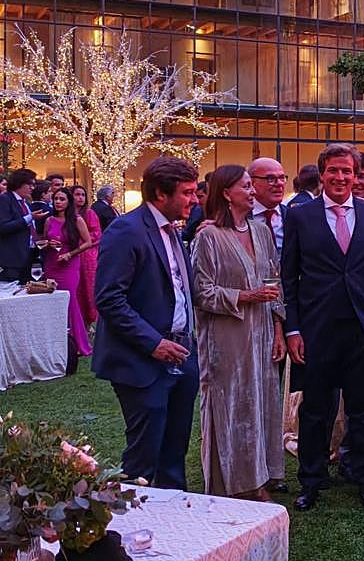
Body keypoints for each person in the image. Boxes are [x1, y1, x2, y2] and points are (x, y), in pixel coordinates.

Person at [282, 143, 364, 512]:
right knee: (315, 410)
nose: (340, 178)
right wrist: (293, 329)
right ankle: (312, 480)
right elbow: (290, 279)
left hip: (362, 329)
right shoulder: (300, 216)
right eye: (333, 171)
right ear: (322, 174)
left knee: (362, 410)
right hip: (317, 330)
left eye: (347, 172)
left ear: (356, 175)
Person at [93, 157, 200, 489]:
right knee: (144, 455)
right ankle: (131, 528)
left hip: (182, 354)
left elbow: (180, 289)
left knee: (174, 450)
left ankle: (175, 524)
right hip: (141, 361)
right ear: (159, 194)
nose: (195, 200)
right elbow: (110, 298)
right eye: (187, 193)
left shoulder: (172, 230)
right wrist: (153, 343)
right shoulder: (126, 230)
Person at [190, 165, 285, 500]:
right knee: (233, 405)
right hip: (226, 337)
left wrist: (278, 328)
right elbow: (201, 293)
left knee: (261, 402)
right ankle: (234, 481)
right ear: (226, 192)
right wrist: (246, 297)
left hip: (262, 333)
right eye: (245, 186)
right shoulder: (208, 236)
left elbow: (275, 280)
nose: (252, 191)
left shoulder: (261, 231)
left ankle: (261, 474)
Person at [42, 186, 95, 364]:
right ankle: (54, 342)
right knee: (52, 301)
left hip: (69, 265)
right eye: (56, 199)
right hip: (52, 264)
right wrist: (48, 244)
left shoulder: (77, 220)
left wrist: (70, 254)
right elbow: (44, 240)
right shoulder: (49, 220)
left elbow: (88, 242)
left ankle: (79, 344)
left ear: (68, 202)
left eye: (62, 199)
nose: (58, 202)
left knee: (70, 301)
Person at [70, 185, 102, 328]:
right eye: (77, 194)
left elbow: (96, 235)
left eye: (83, 195)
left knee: (87, 288)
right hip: (70, 255)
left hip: (87, 256)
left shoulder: (89, 214)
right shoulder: (65, 214)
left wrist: (78, 240)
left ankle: (88, 323)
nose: (80, 198)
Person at [0, 168, 38, 283]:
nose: (32, 188)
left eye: (34, 185)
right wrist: (29, 217)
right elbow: (3, 227)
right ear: (19, 183)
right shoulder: (4, 199)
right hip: (11, 259)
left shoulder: (25, 203)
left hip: (28, 256)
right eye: (30, 184)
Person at [249, 157, 289, 255]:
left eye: (282, 178)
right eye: (271, 179)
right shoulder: (237, 218)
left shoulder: (292, 216)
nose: (279, 184)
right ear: (252, 182)